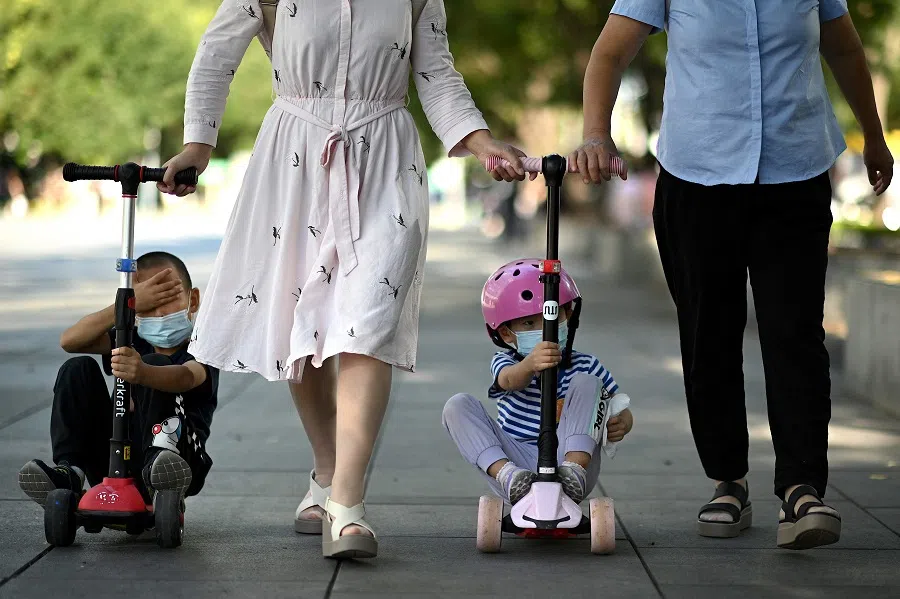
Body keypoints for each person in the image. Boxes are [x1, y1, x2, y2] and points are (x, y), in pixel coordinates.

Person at [158, 1, 527, 559]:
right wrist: (197, 145)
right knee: (298, 324)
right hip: (294, 160)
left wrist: (479, 141)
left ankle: (347, 507)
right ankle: (328, 468)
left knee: (368, 325)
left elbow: (434, 71)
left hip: (385, 162)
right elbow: (215, 56)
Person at [571, 0, 894, 549]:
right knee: (708, 334)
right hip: (697, 175)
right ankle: (728, 481)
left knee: (795, 334)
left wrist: (873, 133)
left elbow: (842, 45)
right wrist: (596, 133)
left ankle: (802, 488)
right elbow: (609, 52)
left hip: (795, 170)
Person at [18, 252, 217, 507]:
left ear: (194, 300)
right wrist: (122, 307)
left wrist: (142, 372)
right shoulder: (132, 338)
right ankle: (71, 472)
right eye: (148, 303)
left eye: (166, 298)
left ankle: (159, 470)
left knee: (157, 366)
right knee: (77, 368)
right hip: (116, 456)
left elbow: (188, 376)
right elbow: (70, 341)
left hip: (180, 459)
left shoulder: (203, 347)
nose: (157, 312)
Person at [442, 261, 633, 505]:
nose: (544, 331)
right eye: (529, 324)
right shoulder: (506, 361)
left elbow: (621, 408)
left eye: (550, 319)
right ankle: (505, 475)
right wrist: (530, 365)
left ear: (567, 316)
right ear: (506, 334)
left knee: (588, 382)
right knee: (457, 405)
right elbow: (508, 380)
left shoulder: (586, 364)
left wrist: (621, 424)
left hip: (571, 458)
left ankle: (573, 471)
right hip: (518, 461)